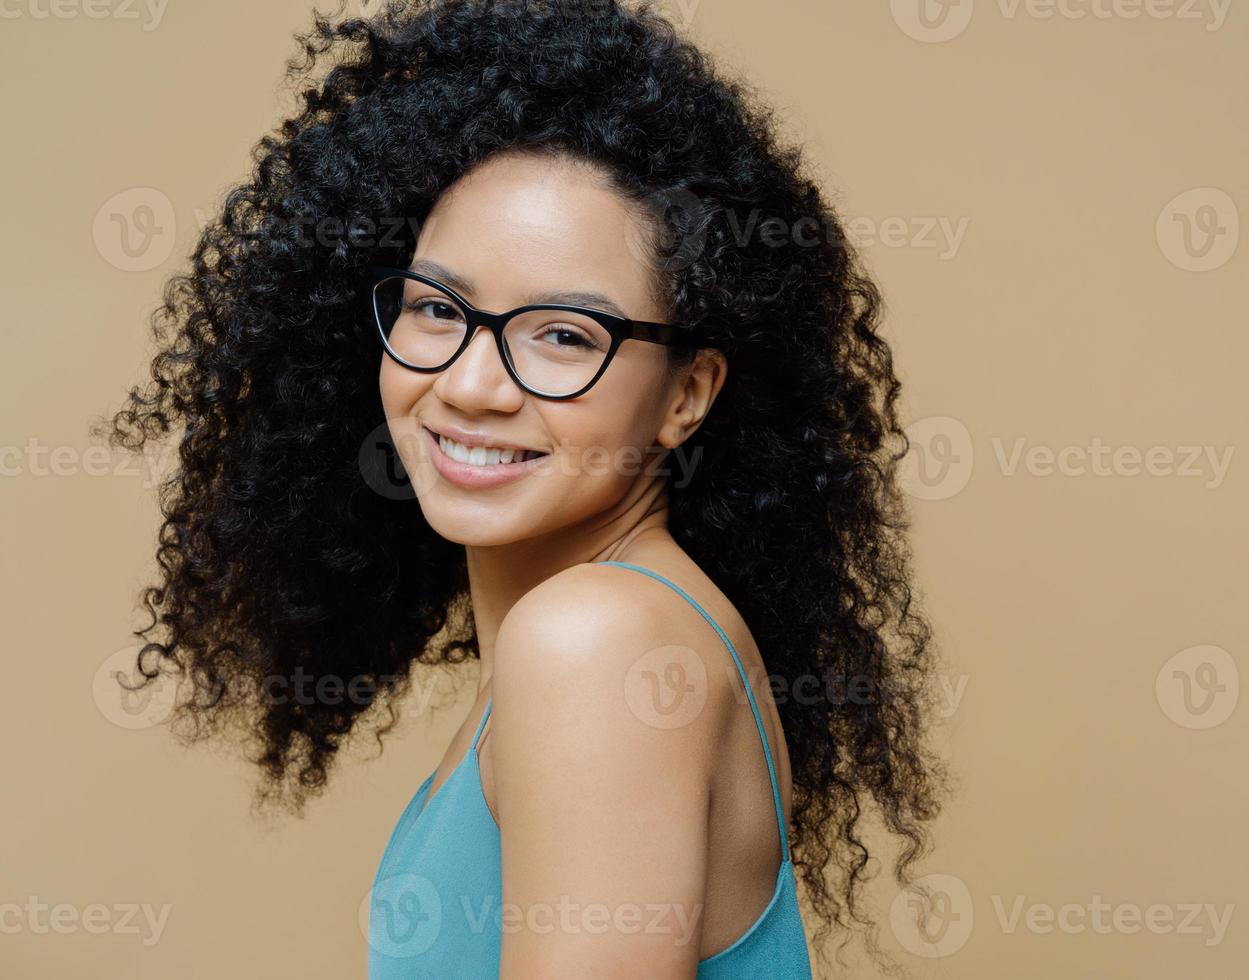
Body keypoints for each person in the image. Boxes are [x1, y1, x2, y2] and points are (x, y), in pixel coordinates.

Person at [100, 2, 948, 976]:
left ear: (688, 394)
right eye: (435, 307)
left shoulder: (595, 641)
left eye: (563, 335)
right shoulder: (596, 631)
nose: (468, 384)